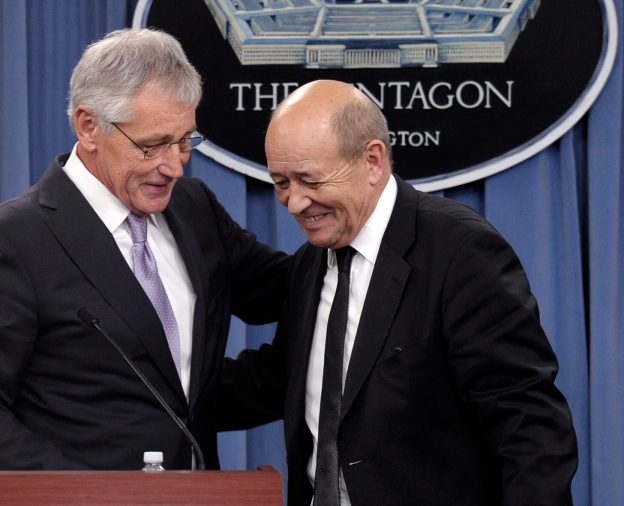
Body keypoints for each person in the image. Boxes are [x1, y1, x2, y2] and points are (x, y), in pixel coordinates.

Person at [0, 28, 288, 471]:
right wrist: (85, 496)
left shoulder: (195, 210)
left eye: (184, 141)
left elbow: (290, 290)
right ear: (88, 126)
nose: (173, 166)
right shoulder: (12, 241)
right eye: (153, 145)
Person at [220, 80, 578, 505]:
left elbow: (529, 427)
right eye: (280, 182)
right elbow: (281, 380)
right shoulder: (309, 263)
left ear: (372, 160)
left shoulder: (460, 252)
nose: (295, 202)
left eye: (309, 180)